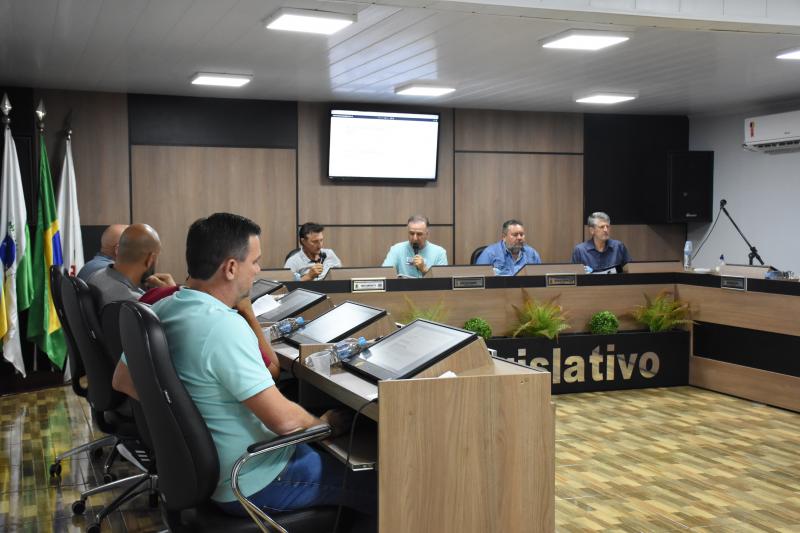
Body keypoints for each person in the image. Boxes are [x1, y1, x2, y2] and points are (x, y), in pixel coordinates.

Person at [111, 213, 377, 518]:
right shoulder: (223, 327)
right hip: (250, 478)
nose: (258, 270)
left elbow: (122, 380)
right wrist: (326, 425)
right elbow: (284, 422)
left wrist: (188, 413)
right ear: (231, 268)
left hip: (201, 468)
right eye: (255, 261)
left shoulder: (162, 308)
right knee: (381, 486)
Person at [88, 223, 175, 309]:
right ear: (150, 259)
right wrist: (172, 294)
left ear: (118, 250)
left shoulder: (95, 276)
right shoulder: (137, 304)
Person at [382, 215, 447, 278]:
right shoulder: (396, 250)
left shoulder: (439, 253)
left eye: (419, 234)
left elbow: (443, 281)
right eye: (411, 233)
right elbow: (384, 274)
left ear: (427, 234)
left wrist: (424, 269)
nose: (415, 238)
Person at [475, 219, 541, 276]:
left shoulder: (532, 254)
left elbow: (540, 278)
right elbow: (478, 277)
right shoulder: (489, 253)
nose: (519, 238)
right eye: (515, 235)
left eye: (521, 234)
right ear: (504, 237)